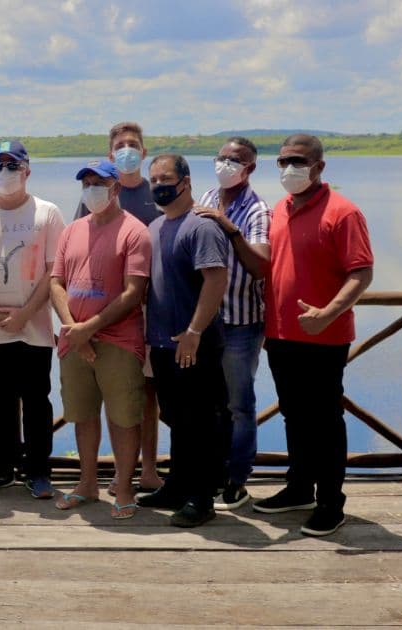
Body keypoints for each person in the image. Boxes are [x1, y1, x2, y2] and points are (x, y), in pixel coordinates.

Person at [252, 134, 373, 537]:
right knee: (294, 416)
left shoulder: (343, 212)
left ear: (320, 166)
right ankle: (299, 488)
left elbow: (362, 272)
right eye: (283, 160)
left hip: (325, 336)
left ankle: (330, 504)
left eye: (298, 161)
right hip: (282, 334)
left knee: (325, 421)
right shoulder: (279, 210)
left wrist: (329, 312)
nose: (289, 168)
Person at [50, 159, 151, 520]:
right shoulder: (71, 230)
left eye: (99, 182)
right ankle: (87, 483)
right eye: (87, 182)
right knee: (82, 414)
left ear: (115, 189)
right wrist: (72, 329)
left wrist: (88, 328)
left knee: (124, 417)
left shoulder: (134, 231)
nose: (92, 188)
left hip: (118, 341)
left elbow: (133, 292)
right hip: (73, 341)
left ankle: (124, 487)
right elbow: (56, 282)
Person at [0, 140, 64, 499]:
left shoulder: (47, 213)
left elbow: (54, 271)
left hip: (35, 328)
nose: (5, 172)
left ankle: (38, 472)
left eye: (12, 165)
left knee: (37, 403)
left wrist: (24, 313)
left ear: (27, 171)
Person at [136, 154, 230, 528]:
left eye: (166, 177)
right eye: (153, 178)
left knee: (201, 422)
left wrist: (194, 332)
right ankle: (176, 485)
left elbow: (216, 280)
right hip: (161, 344)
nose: (159, 184)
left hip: (195, 344)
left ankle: (201, 497)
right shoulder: (156, 226)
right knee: (176, 418)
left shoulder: (201, 226)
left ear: (186, 181)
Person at [76, 122, 165, 494]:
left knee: (147, 394)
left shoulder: (157, 192)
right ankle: (112, 474)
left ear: (143, 153)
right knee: (109, 393)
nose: (127, 150)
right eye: (120, 145)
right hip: (104, 315)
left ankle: (148, 469)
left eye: (133, 144)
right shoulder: (95, 194)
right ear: (111, 154)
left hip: (151, 308)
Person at [194, 137, 272, 510]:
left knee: (240, 405)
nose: (225, 164)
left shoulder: (257, 210)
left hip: (241, 323)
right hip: (207, 322)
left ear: (250, 168)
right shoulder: (205, 199)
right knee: (211, 404)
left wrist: (229, 228)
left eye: (234, 160)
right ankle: (211, 472)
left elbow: (260, 267)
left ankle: (236, 480)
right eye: (221, 157)